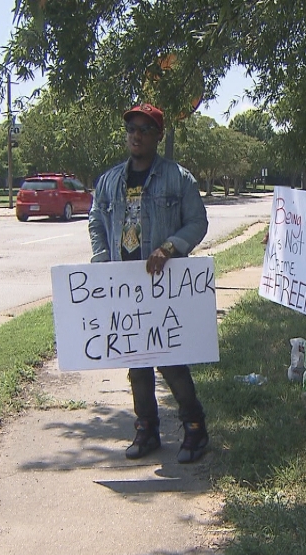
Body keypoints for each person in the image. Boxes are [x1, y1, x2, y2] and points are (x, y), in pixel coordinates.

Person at [87, 103, 211, 464]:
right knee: (136, 362)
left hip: (163, 286)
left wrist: (170, 248)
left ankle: (195, 428)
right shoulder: (110, 180)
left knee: (171, 361)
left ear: (158, 135)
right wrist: (101, 263)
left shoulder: (178, 179)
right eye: (131, 129)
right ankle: (147, 428)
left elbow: (197, 223)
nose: (136, 135)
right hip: (124, 286)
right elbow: (97, 222)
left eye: (144, 129)